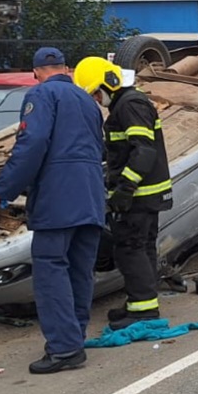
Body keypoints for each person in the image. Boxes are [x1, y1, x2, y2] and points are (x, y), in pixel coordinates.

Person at [0, 47, 106, 374]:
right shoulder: (88, 100)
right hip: (91, 194)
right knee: (80, 270)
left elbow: (33, 143)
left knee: (51, 269)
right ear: (66, 69)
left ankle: (64, 348)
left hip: (59, 197)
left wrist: (4, 189)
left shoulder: (41, 94)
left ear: (36, 72)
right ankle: (74, 336)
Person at [74, 56, 173, 331]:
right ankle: (141, 303)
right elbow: (125, 149)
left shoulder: (130, 105)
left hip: (140, 194)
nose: (96, 98)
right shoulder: (127, 103)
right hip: (146, 192)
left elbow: (144, 150)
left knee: (130, 249)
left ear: (108, 83)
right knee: (141, 248)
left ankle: (143, 310)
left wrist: (125, 189)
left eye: (95, 92)